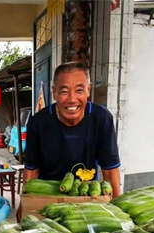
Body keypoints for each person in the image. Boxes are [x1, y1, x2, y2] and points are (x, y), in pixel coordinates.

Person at [23, 61, 122, 196]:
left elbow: (110, 169)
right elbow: (31, 170)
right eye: (64, 91)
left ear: (88, 90)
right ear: (54, 92)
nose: (72, 99)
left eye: (79, 90)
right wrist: (25, 205)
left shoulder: (102, 119)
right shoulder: (38, 122)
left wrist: (117, 208)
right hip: (47, 196)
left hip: (86, 194)